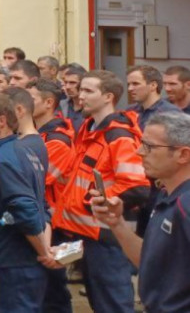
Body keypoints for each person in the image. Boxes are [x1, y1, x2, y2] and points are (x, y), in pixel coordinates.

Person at [53, 70, 150, 313]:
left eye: (88, 91)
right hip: (87, 232)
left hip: (107, 236)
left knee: (112, 304)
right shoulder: (89, 129)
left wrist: (91, 202)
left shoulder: (118, 136)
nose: (80, 95)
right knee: (100, 302)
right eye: (81, 89)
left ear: (108, 97)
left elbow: (136, 186)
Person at [91, 112, 190, 311]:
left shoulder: (186, 204)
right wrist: (117, 223)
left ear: (183, 155)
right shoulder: (166, 196)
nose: (139, 152)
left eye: (149, 147)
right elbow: (150, 261)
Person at [0, 92, 60, 312]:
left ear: (1, 121)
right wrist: (45, 246)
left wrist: (43, 252)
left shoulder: (4, 160)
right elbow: (41, 206)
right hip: (24, 263)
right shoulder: (23, 150)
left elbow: (26, 210)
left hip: (15, 265)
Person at [28, 79, 77, 313]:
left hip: (56, 223)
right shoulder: (36, 134)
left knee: (54, 288)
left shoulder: (58, 140)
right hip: (42, 216)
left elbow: (32, 180)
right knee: (42, 287)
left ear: (48, 103)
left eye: (32, 99)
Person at [127, 65, 181, 130]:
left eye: (135, 84)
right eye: (129, 84)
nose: (130, 88)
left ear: (153, 85)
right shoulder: (130, 111)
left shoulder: (171, 113)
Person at [58, 65, 87, 129]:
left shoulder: (93, 108)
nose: (67, 87)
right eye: (66, 82)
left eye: (72, 83)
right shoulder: (60, 105)